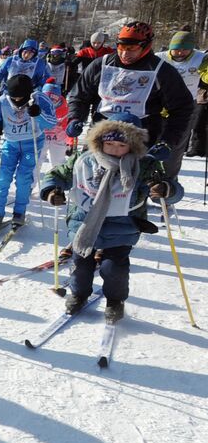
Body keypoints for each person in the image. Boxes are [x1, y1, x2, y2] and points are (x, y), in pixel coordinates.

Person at [40, 116, 179, 321]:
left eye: (122, 145)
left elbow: (170, 188)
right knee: (80, 264)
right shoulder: (85, 160)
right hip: (84, 222)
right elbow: (58, 174)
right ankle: (79, 294)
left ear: (132, 146)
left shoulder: (143, 166)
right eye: (110, 144)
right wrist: (52, 190)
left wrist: (165, 189)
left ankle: (115, 301)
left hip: (123, 225)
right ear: (100, 141)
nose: (115, 149)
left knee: (113, 268)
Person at [65, 21, 195, 187]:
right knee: (90, 184)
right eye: (121, 47)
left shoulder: (162, 71)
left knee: (129, 189)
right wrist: (75, 117)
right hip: (101, 135)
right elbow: (79, 96)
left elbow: (182, 108)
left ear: (146, 46)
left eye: (132, 48)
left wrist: (168, 141)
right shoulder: (101, 65)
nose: (125, 53)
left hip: (139, 139)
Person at [0, 74, 57, 232]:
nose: (16, 101)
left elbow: (51, 123)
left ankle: (19, 212)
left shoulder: (40, 99)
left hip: (31, 143)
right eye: (13, 97)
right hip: (11, 144)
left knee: (23, 178)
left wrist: (38, 114)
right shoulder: (3, 101)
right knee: (3, 178)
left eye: (20, 98)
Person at [159, 29, 208, 160]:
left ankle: (171, 170)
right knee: (155, 137)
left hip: (186, 105)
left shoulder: (201, 58)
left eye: (185, 49)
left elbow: (205, 74)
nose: (180, 52)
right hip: (160, 103)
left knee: (177, 141)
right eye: (176, 49)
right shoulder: (159, 57)